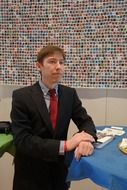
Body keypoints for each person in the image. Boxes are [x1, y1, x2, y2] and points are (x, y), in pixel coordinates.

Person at [11, 45, 97, 190]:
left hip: (59, 174)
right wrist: (67, 145)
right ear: (39, 66)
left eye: (61, 62)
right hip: (30, 175)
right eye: (52, 61)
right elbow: (22, 140)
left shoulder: (69, 94)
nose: (58, 67)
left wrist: (85, 139)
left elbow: (86, 121)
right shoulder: (21, 96)